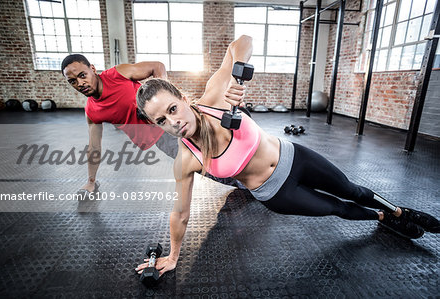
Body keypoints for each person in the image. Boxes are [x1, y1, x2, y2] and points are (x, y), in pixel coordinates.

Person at [134, 35, 439, 278]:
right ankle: (382, 217)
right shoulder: (186, 159)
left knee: (353, 190)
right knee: (339, 208)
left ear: (184, 99)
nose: (172, 122)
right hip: (276, 192)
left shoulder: (215, 97)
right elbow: (181, 214)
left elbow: (242, 42)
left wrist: (236, 79)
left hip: (296, 157)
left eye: (172, 109)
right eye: (161, 120)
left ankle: (399, 212)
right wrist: (173, 256)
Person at [61, 55, 244, 195]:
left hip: (176, 119)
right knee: (205, 164)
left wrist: (165, 98)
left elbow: (157, 67)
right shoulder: (92, 111)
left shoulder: (118, 73)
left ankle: (251, 177)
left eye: (82, 75)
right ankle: (246, 181)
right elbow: (94, 147)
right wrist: (91, 181)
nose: (80, 83)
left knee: (216, 145)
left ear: (92, 69)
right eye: (73, 81)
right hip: (161, 137)